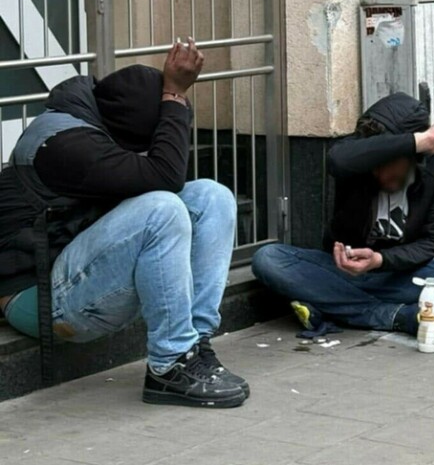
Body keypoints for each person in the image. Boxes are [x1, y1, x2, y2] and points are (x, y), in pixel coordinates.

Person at [0, 40, 248, 408]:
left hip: (76, 272)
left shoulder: (93, 126)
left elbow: (167, 176)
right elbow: (165, 176)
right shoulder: (68, 146)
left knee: (212, 197)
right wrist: (175, 95)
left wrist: (171, 99)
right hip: (39, 300)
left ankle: (193, 345)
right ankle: (170, 365)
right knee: (161, 209)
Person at [252, 93, 434, 336]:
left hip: (398, 275)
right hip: (344, 273)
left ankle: (332, 305)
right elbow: (337, 159)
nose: (378, 172)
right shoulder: (353, 159)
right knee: (268, 259)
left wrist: (380, 260)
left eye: (388, 163)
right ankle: (394, 316)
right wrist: (418, 141)